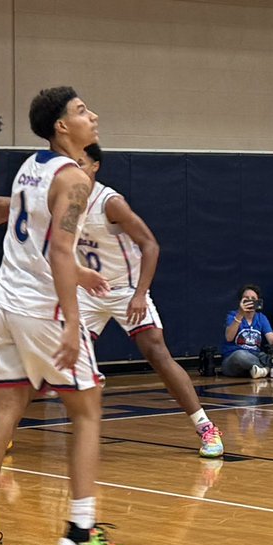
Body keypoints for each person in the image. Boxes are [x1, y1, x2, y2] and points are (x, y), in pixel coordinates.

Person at [0, 86, 130, 545]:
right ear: (62, 127)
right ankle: (82, 530)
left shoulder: (32, 165)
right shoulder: (76, 180)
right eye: (81, 110)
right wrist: (73, 321)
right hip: (41, 313)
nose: (93, 115)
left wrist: (80, 275)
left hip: (3, 305)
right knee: (88, 407)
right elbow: (59, 250)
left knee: (0, 420)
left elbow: (34, 236)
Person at [76, 143, 224, 457]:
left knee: (157, 352)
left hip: (126, 289)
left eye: (81, 162)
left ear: (95, 166)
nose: (74, 169)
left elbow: (151, 246)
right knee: (51, 352)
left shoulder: (110, 202)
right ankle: (7, 429)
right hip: (87, 289)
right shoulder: (64, 199)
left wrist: (141, 293)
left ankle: (206, 427)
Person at [222, 284, 273, 379]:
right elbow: (229, 337)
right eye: (246, 298)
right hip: (235, 360)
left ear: (258, 301)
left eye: (253, 298)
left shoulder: (261, 318)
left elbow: (272, 340)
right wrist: (240, 314)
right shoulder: (233, 316)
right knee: (240, 355)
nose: (250, 301)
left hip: (258, 356)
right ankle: (272, 368)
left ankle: (261, 370)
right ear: (240, 301)